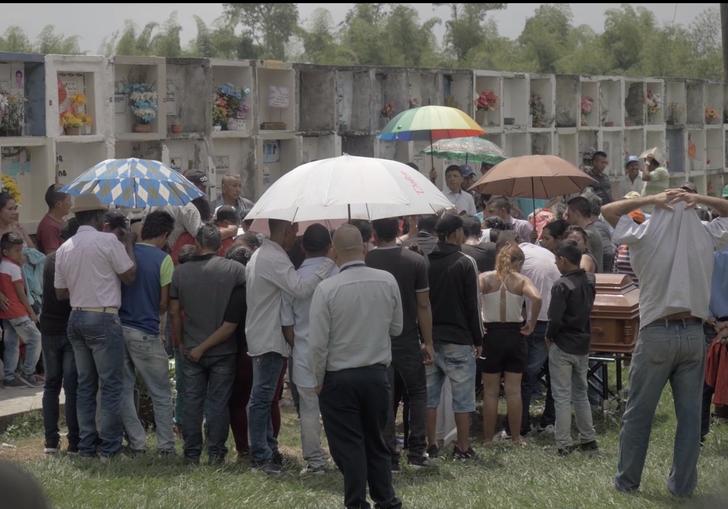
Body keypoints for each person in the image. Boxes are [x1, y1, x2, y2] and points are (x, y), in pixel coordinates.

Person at [602, 190, 728, 497]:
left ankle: (627, 482)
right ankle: (682, 487)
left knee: (639, 414)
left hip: (657, 330)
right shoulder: (706, 234)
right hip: (694, 332)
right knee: (689, 418)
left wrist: (652, 200)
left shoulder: (643, 233)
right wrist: (700, 198)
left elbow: (607, 210)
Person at [308, 224, 403, 509]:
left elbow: (317, 344)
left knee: (348, 445)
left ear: (334, 251)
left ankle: (356, 502)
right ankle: (386, 499)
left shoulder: (326, 288)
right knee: (376, 440)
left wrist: (317, 378)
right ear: (364, 247)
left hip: (339, 376)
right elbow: (397, 328)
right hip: (376, 373)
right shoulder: (387, 281)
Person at [245, 218, 336, 475]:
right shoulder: (274, 258)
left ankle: (268, 450)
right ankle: (261, 457)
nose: (295, 238)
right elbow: (300, 288)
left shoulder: (263, 254)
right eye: (293, 232)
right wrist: (329, 262)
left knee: (266, 398)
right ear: (285, 231)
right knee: (262, 398)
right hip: (269, 337)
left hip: (269, 335)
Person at [54, 194, 136, 460]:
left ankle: (87, 447)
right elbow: (129, 275)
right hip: (102, 316)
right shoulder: (108, 240)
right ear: (100, 218)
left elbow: (60, 292)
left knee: (85, 385)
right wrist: (128, 244)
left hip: (76, 316)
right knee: (111, 385)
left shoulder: (66, 246)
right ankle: (110, 448)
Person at [169, 224, 246, 465]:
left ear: (198, 243)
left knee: (191, 402)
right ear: (219, 244)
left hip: (191, 346)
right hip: (224, 348)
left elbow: (173, 312)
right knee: (218, 402)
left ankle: (191, 453)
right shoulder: (234, 269)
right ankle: (216, 453)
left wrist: (179, 342)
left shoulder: (180, 273)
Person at [367, 218, 435, 471]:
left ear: (374, 233)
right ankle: (417, 452)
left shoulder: (367, 261)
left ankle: (388, 455)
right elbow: (423, 305)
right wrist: (428, 341)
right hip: (407, 337)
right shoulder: (415, 261)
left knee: (385, 397)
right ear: (399, 230)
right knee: (417, 393)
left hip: (378, 339)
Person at [280, 224, 339, 474]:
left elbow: (287, 324)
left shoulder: (292, 279)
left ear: (302, 247)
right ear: (329, 246)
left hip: (303, 350)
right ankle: (342, 457)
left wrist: (300, 344)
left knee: (309, 410)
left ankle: (315, 461)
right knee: (338, 408)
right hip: (337, 352)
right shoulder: (339, 275)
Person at [118, 211, 176, 456]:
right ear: (164, 234)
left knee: (123, 389)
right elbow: (163, 303)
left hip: (119, 327)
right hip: (146, 330)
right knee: (160, 393)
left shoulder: (124, 254)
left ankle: (137, 442)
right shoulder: (164, 260)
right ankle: (166, 445)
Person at [425, 213, 482, 459]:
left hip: (430, 339)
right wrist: (478, 339)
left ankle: (431, 444)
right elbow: (473, 305)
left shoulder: (424, 262)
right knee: (463, 398)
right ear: (454, 234)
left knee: (430, 397)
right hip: (458, 338)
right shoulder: (465, 262)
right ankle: (462, 446)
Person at [479, 244, 541, 445]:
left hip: (491, 334)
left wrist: (477, 324)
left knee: (490, 391)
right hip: (514, 335)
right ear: (519, 262)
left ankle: (488, 438)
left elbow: (471, 297)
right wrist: (531, 322)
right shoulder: (521, 280)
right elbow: (537, 298)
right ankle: (516, 437)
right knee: (513, 390)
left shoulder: (485, 278)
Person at [545, 242, 598, 456]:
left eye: (557, 260)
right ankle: (588, 438)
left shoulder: (562, 285)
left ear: (564, 260)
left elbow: (554, 317)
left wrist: (549, 336)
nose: (556, 264)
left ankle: (564, 443)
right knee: (581, 394)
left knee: (562, 395)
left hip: (563, 344)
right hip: (582, 343)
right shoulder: (589, 280)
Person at [40, 218, 79, 454]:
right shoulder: (70, 258)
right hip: (68, 326)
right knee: (72, 386)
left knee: (51, 385)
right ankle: (74, 441)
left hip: (49, 327)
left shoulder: (49, 259)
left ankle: (51, 441)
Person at [519, 231, 562, 436]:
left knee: (527, 375)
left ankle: (521, 424)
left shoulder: (520, 258)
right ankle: (549, 421)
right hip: (555, 320)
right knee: (555, 374)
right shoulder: (545, 254)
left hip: (534, 321)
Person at [1, 232, 42, 388]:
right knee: (36, 338)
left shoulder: (3, 265)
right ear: (6, 252)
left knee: (11, 343)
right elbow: (21, 294)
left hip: (6, 312)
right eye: (17, 251)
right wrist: (31, 312)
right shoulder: (13, 268)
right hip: (17, 311)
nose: (21, 254)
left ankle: (10, 377)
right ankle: (28, 373)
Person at [564, 196, 603, 272]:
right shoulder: (590, 230)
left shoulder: (587, 234)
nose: (566, 218)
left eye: (569, 215)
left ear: (577, 214)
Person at [36, 184, 72, 255]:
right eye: (69, 200)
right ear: (59, 204)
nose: (71, 204)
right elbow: (52, 257)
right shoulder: (49, 227)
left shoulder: (60, 221)